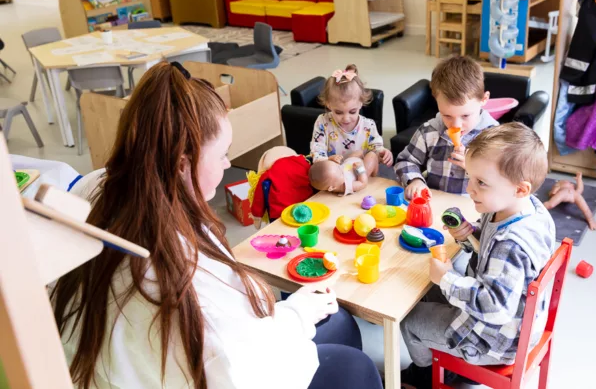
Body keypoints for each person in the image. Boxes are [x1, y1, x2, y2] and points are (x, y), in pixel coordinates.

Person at [51, 62, 383, 389]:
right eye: (223, 154)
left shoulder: (97, 185)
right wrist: (295, 314)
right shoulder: (175, 265)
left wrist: (291, 313)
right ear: (183, 163)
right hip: (202, 370)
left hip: (121, 364)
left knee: (339, 323)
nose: (228, 164)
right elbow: (236, 364)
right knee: (355, 366)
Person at [400, 123, 555, 389]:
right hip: (517, 323)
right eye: (470, 178)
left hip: (496, 339)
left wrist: (447, 279)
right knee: (423, 292)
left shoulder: (512, 246)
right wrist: (469, 233)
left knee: (410, 320)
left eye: (481, 183)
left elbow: (494, 306)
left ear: (520, 188)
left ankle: (428, 378)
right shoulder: (524, 208)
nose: (470, 190)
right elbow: (490, 250)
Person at [394, 56, 498, 200]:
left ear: (484, 100)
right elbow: (405, 161)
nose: (456, 125)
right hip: (434, 203)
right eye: (447, 116)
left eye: (465, 115)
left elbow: (502, 181)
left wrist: (473, 167)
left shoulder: (495, 138)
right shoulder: (429, 131)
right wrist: (415, 180)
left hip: (474, 209)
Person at [310, 64, 392, 169]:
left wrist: (383, 153)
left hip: (360, 174)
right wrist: (326, 161)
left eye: (352, 112)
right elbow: (317, 150)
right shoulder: (323, 122)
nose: (346, 118)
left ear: (360, 103)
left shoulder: (368, 125)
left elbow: (376, 148)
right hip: (334, 174)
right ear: (328, 104)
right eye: (339, 112)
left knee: (371, 157)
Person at [309, 151, 378, 196]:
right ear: (332, 187)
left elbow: (329, 167)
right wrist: (360, 169)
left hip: (350, 162)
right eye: (341, 173)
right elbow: (362, 183)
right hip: (361, 170)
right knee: (372, 155)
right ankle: (373, 174)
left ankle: (363, 158)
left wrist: (332, 159)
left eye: (338, 165)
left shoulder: (333, 178)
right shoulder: (346, 185)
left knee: (359, 152)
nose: (341, 168)